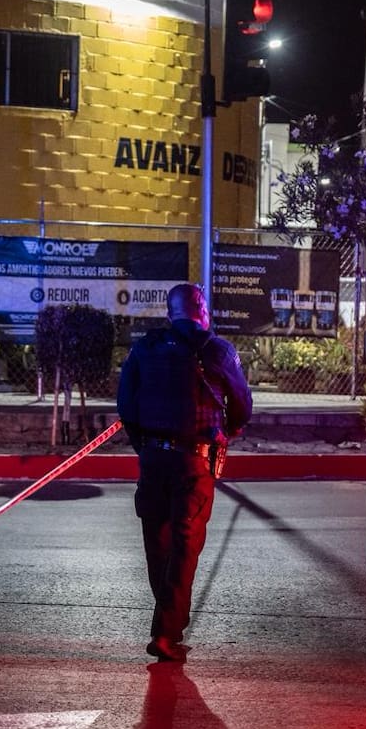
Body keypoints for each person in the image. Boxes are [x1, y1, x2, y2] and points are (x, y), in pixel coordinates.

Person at [116, 283, 253, 662]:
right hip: (194, 461)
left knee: (157, 544)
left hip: (152, 459)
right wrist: (228, 431)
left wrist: (144, 445)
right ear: (202, 309)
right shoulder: (218, 350)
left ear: (169, 312)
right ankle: (165, 633)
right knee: (184, 546)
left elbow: (125, 403)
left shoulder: (145, 348)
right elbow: (242, 405)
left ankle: (169, 624)